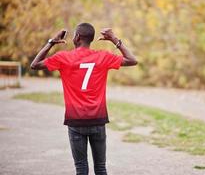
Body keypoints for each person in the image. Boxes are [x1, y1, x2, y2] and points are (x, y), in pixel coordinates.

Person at [30, 22, 138, 175]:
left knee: (81, 168)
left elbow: (34, 65)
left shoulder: (63, 58)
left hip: (76, 121)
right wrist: (114, 39)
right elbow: (132, 60)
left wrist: (51, 43)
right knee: (101, 168)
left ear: (77, 37)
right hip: (98, 119)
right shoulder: (102, 57)